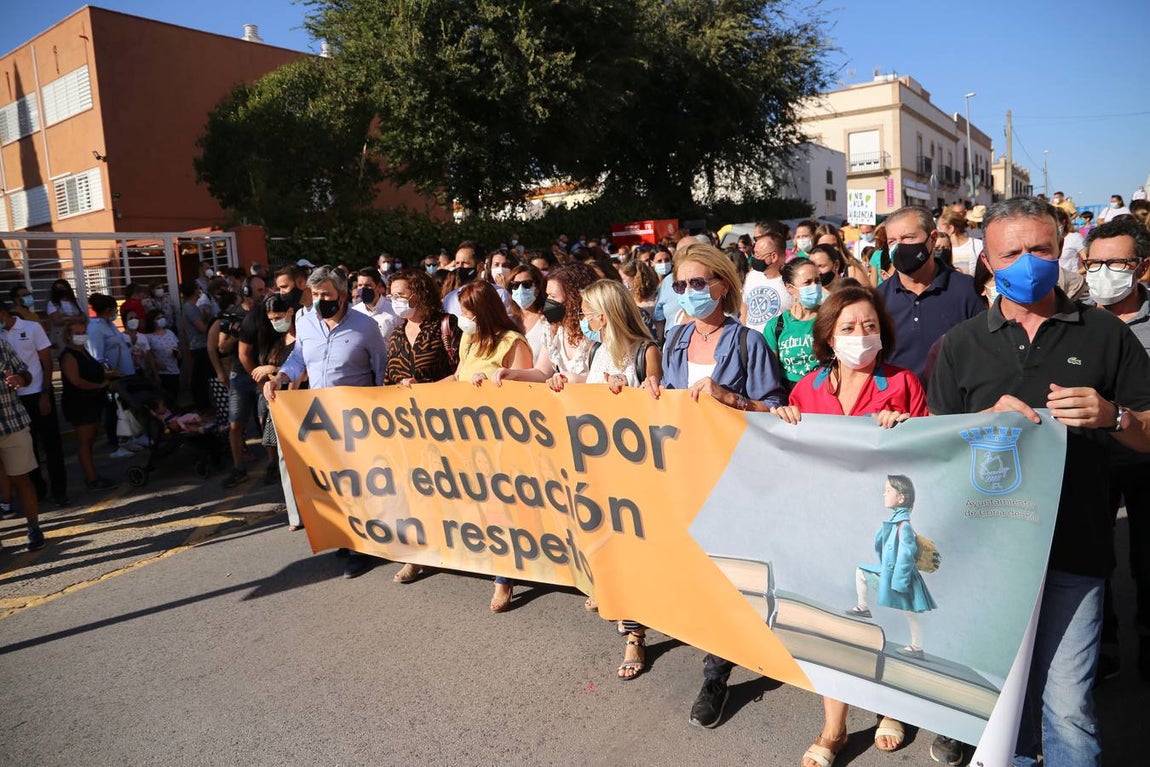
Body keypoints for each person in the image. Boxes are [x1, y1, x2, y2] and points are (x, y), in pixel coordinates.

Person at [927, 197, 1150, 767]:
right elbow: (934, 452)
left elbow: (1149, 432)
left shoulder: (1106, 334)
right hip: (989, 560)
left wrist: (1114, 416)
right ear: (987, 260)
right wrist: (979, 425)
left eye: (1041, 249)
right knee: (1007, 711)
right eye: (1012, 253)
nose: (1028, 262)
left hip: (1076, 549)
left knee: (1069, 710)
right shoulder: (960, 345)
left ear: (1060, 251)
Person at [770, 285, 926, 767]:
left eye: (870, 326)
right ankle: (834, 728)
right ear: (828, 337)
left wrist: (907, 428)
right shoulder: (807, 389)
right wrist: (783, 418)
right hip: (826, 525)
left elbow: (929, 455)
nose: (861, 335)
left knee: (886, 616)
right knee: (833, 623)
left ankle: (891, 706)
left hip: (883, 526)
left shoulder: (903, 383)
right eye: (849, 327)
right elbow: (791, 456)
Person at [644, 242, 785, 729]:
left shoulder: (749, 343)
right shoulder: (674, 340)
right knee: (698, 573)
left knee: (727, 576)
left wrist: (729, 398)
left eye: (698, 283)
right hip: (685, 474)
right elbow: (665, 402)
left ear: (723, 285)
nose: (688, 291)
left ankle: (716, 675)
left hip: (735, 478)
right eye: (680, 285)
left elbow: (774, 409)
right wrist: (649, 392)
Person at [546, 279, 662, 679]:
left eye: (588, 312)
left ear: (606, 314)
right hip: (598, 466)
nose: (584, 319)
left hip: (634, 470)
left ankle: (635, 635)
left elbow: (656, 402)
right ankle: (614, 596)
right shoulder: (597, 351)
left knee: (632, 550)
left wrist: (628, 392)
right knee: (606, 544)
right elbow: (587, 387)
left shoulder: (646, 352)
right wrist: (563, 381)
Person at [264, 265, 390, 579]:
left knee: (359, 485)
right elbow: (299, 358)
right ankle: (346, 537)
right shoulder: (305, 322)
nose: (321, 300)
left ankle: (363, 548)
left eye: (327, 294)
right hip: (321, 421)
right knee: (333, 484)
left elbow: (381, 371)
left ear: (343, 295)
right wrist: (280, 377)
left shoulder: (366, 327)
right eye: (316, 294)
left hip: (358, 421)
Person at [1079, 217, 1150, 683]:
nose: (1104, 273)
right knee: (1091, 556)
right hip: (1089, 460)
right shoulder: (1075, 320)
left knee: (1147, 557)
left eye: (1117, 263)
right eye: (1094, 264)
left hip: (1145, 457)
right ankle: (1101, 645)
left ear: (1141, 267)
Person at [444, 280, 532, 610]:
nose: (463, 319)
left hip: (503, 440)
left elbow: (528, 393)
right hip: (470, 437)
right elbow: (458, 377)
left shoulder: (512, 342)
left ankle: (504, 578)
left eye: (467, 313)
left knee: (501, 507)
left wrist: (493, 389)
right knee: (481, 504)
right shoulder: (469, 338)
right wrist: (419, 391)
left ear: (483, 311)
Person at [875, 206, 985, 380]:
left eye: (908, 237)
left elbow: (983, 352)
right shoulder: (877, 299)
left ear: (932, 239)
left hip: (954, 396)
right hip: (898, 397)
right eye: (892, 241)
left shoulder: (967, 290)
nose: (899, 246)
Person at [0, 300, 68, 507]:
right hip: (13, 402)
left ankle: (60, 493)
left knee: (51, 445)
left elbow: (47, 362)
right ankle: (38, 491)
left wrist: (46, 393)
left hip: (38, 393)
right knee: (29, 450)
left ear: (3, 313)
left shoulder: (32, 327)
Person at [491, 263, 599, 387]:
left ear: (573, 298)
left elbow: (604, 378)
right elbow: (542, 372)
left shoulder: (595, 331)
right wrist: (513, 374)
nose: (548, 301)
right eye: (547, 295)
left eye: (553, 296)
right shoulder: (553, 330)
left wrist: (575, 379)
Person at [219, 277, 266, 488]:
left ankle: (273, 464)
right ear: (246, 291)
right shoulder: (231, 315)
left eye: (264, 289)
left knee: (265, 421)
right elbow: (222, 347)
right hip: (240, 374)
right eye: (259, 290)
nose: (263, 293)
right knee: (236, 423)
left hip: (262, 372)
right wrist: (238, 334)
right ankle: (238, 467)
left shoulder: (266, 311)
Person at [59, 318, 116, 490]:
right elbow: (76, 381)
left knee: (90, 440)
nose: (81, 336)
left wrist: (108, 376)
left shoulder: (84, 351)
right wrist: (99, 385)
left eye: (83, 332)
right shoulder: (69, 355)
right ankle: (91, 479)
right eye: (77, 333)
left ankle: (92, 475)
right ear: (68, 336)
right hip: (80, 403)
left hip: (93, 401)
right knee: (85, 441)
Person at [0, 334, 43, 552]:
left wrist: (20, 379)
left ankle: (34, 528)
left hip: (12, 424)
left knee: (22, 479)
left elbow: (25, 372)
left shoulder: (1, 344)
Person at [383, 268, 461, 388]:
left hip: (441, 398)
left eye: (399, 295)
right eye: (391, 296)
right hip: (403, 400)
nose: (394, 301)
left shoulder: (446, 324)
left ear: (419, 294)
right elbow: (388, 381)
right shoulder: (396, 335)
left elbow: (462, 370)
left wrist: (422, 388)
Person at [765, 258, 821, 393]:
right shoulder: (776, 326)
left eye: (817, 281)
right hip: (790, 394)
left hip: (822, 391)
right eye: (807, 282)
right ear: (789, 287)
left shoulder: (830, 319)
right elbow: (769, 371)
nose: (814, 286)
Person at [741, 231, 792, 334]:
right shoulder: (752, 276)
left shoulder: (792, 281)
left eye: (758, 255)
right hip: (750, 341)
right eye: (754, 254)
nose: (754, 258)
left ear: (773, 257)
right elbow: (745, 306)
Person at [505, 264, 550, 366]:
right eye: (515, 285)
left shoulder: (548, 322)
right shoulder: (508, 321)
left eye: (526, 284)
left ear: (537, 288)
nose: (520, 289)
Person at [179, 280, 211, 412]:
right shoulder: (190, 308)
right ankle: (202, 406)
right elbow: (202, 328)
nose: (200, 292)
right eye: (198, 289)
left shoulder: (193, 307)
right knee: (200, 378)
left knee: (201, 377)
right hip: (199, 346)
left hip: (199, 345)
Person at [352, 267, 398, 342]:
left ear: (378, 286)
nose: (363, 289)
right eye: (360, 285)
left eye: (367, 285)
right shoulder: (354, 312)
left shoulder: (394, 311)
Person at [146, 309, 181, 407]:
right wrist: (155, 369)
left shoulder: (170, 332)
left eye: (162, 317)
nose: (161, 320)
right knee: (165, 399)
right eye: (158, 318)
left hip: (174, 370)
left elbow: (178, 350)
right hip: (162, 373)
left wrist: (177, 353)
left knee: (174, 396)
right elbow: (148, 356)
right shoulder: (148, 337)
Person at [936, 208, 983, 275]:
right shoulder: (944, 250)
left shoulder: (978, 245)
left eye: (939, 228)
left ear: (950, 228)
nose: (938, 231)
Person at [45, 279, 82, 351]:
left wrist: (65, 318)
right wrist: (74, 318)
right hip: (60, 336)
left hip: (76, 335)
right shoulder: (52, 303)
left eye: (62, 288)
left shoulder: (75, 302)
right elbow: (57, 321)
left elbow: (83, 318)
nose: (60, 291)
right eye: (57, 289)